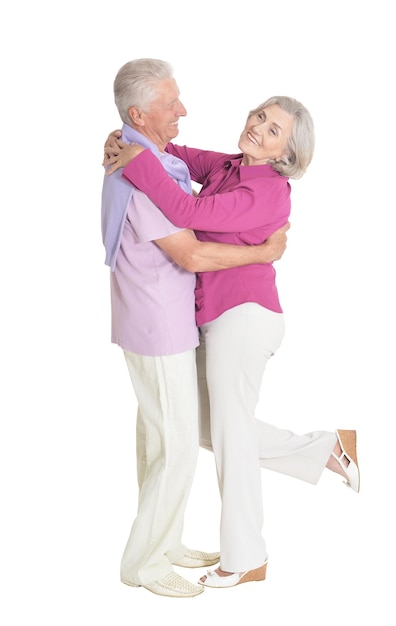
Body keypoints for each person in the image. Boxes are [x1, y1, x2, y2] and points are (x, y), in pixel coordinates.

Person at [103, 85, 360, 590]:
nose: (257, 129)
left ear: (286, 154)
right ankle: (327, 448)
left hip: (244, 317)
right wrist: (124, 137)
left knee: (228, 435)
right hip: (216, 317)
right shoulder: (231, 166)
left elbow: (190, 214)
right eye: (260, 117)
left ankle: (246, 557)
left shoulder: (267, 190)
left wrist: (136, 162)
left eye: (272, 131)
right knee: (206, 429)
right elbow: (174, 152)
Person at [101, 58, 290, 598]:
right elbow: (192, 252)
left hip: (193, 319)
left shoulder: (150, 159)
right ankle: (146, 561)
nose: (183, 110)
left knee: (170, 438)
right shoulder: (153, 171)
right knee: (181, 443)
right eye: (171, 102)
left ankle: (170, 542)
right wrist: (266, 252)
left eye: (272, 128)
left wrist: (125, 140)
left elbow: (176, 176)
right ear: (140, 113)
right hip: (160, 323)